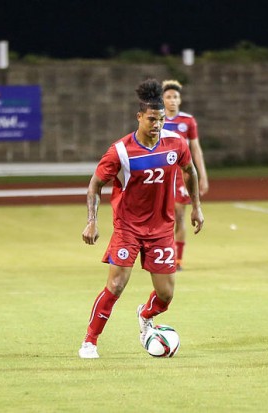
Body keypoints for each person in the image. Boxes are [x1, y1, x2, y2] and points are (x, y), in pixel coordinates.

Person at [78, 78, 204, 359]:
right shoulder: (120, 151)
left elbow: (190, 171)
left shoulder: (175, 144)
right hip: (128, 228)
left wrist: (196, 206)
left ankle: (145, 315)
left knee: (166, 295)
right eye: (151, 119)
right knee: (116, 285)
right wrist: (92, 220)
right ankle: (90, 341)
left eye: (161, 119)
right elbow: (95, 185)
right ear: (139, 117)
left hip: (162, 229)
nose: (157, 124)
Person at [161, 80, 209, 270]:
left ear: (180, 100)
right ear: (163, 100)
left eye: (175, 97)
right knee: (163, 217)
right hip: (162, 173)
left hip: (181, 174)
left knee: (179, 215)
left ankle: (177, 260)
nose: (172, 100)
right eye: (168, 97)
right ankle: (160, 254)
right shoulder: (156, 119)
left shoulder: (188, 121)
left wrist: (202, 175)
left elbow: (196, 149)